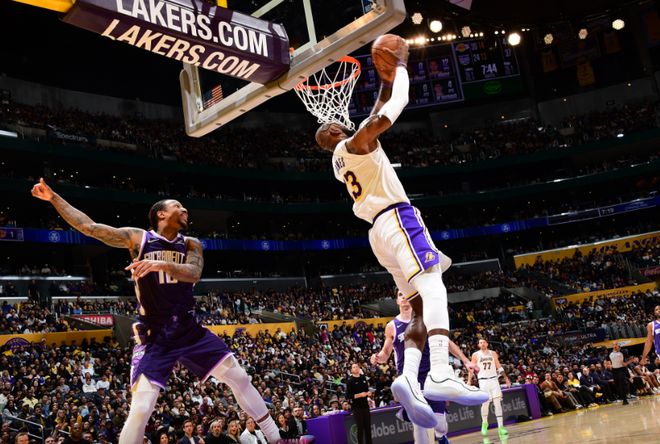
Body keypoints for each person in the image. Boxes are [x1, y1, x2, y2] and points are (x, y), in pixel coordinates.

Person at [314, 35, 487, 428]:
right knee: (435, 286)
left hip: (379, 234)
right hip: (397, 219)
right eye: (336, 124)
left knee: (419, 309)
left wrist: (385, 80)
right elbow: (391, 110)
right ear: (335, 132)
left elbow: (378, 107)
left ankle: (409, 376)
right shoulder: (355, 144)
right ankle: (439, 372)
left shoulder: (344, 160)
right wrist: (403, 65)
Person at [31, 178, 285, 444]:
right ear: (161, 214)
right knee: (141, 408)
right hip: (155, 335)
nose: (185, 209)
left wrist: (160, 264)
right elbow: (89, 227)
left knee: (240, 377)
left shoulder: (190, 244)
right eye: (178, 206)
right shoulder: (139, 238)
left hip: (189, 330)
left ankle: (275, 437)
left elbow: (193, 273)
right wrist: (53, 197)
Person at [370, 291, 476, 444]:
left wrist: (465, 360)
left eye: (406, 294)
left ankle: (441, 436)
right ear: (397, 301)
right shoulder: (392, 326)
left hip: (430, 374)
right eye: (400, 294)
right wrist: (378, 357)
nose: (404, 297)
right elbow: (386, 353)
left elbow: (445, 342)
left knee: (440, 424)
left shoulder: (426, 320)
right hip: (410, 377)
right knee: (418, 423)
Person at [469, 339, 510, 439]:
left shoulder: (493, 353)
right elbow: (471, 369)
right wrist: (469, 380)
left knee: (497, 403)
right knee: (485, 404)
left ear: (487, 344)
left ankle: (501, 427)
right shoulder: (475, 355)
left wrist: (506, 378)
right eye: (480, 342)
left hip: (494, 380)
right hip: (483, 381)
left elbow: (499, 366)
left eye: (484, 342)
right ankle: (484, 423)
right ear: (478, 345)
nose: (482, 344)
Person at [345, 363, 372, 444]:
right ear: (351, 370)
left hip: (365, 406)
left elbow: (367, 390)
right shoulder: (350, 381)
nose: (356, 368)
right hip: (357, 407)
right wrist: (360, 395)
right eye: (354, 367)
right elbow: (348, 396)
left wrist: (368, 393)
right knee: (360, 428)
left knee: (368, 428)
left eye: (357, 367)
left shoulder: (363, 378)